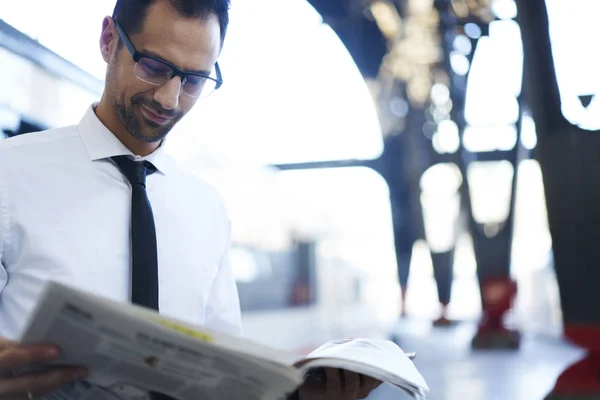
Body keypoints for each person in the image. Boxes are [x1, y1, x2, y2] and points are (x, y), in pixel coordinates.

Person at [0, 1, 380, 399]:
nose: (169, 98)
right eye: (153, 67)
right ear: (109, 40)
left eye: (194, 80)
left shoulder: (208, 210)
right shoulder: (10, 175)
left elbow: (226, 383)